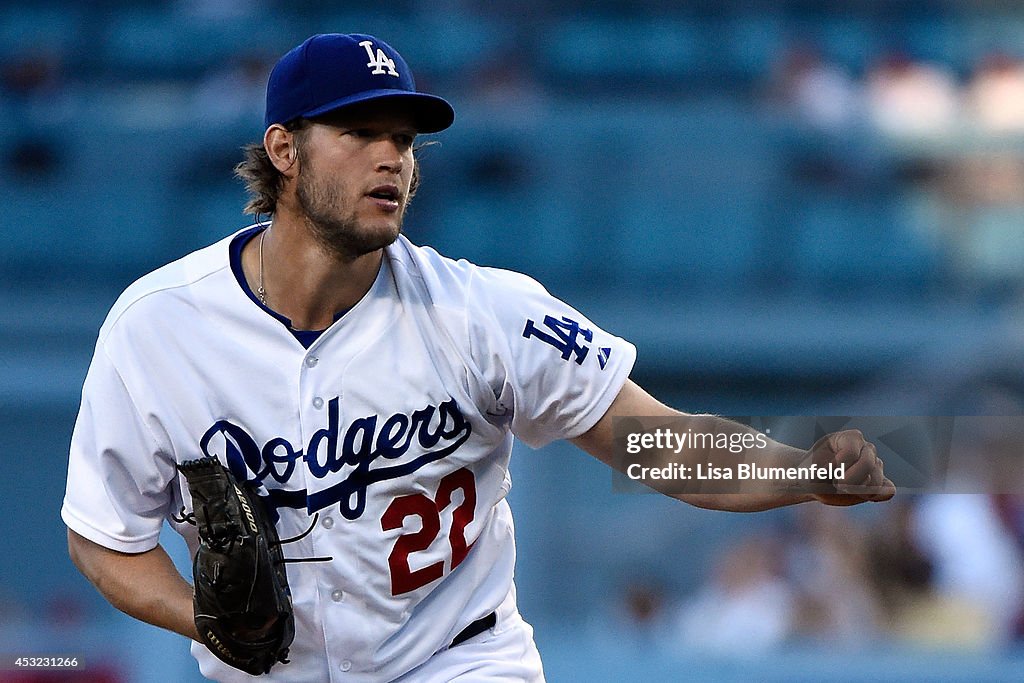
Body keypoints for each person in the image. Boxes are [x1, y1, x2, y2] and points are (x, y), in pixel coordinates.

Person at [61, 33, 895, 682]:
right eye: (359, 133)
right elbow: (104, 537)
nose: (392, 157)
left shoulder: (481, 313)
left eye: (404, 138)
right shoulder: (158, 327)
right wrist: (199, 615)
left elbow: (655, 440)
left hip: (457, 659)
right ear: (284, 150)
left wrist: (797, 469)